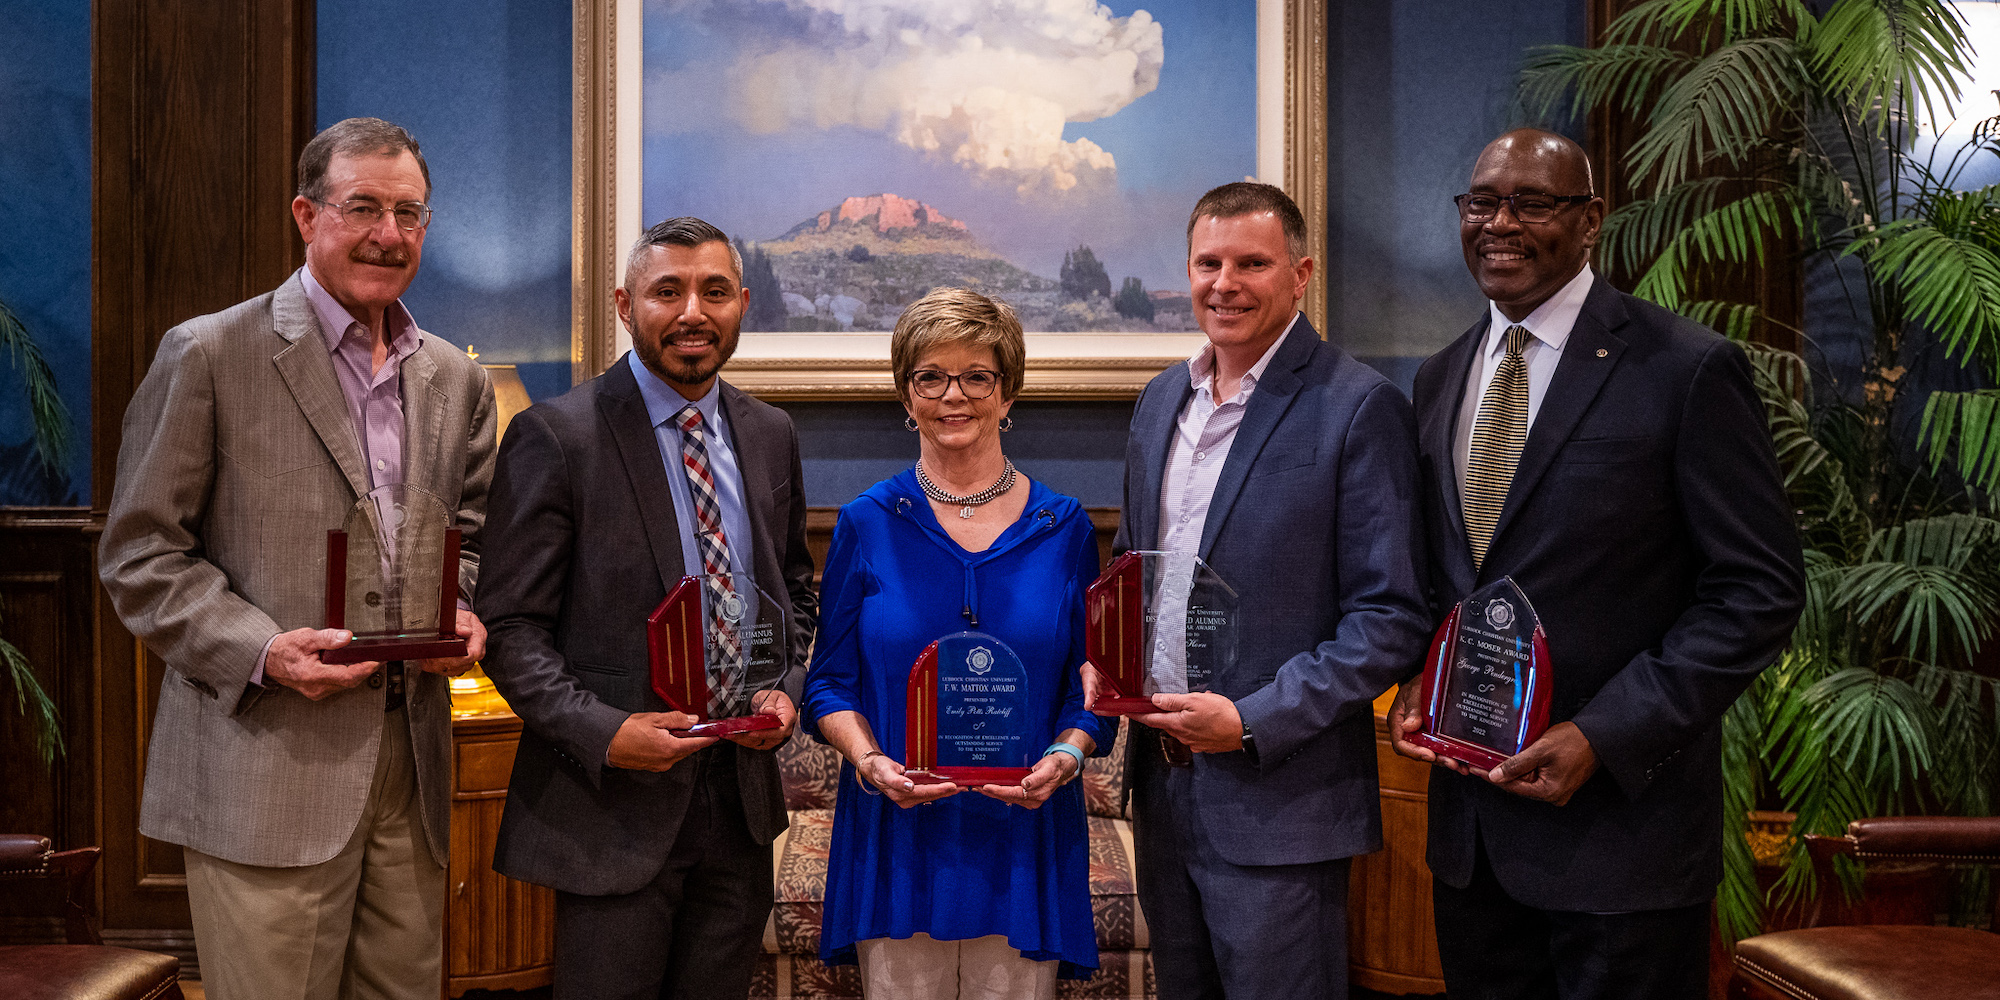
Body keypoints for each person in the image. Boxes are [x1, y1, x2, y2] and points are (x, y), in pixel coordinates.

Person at [1387, 128, 1805, 1000]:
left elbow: (1757, 592)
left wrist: (1604, 734)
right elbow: (1450, 577)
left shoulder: (1686, 370)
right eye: (1481, 202)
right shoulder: (1437, 379)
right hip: (1475, 845)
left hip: (1623, 847)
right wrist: (1425, 677)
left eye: (1531, 203)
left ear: (1590, 222)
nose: (1498, 223)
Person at [97, 117, 493, 1000]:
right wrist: (263, 652)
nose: (389, 235)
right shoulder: (208, 353)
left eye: (410, 214)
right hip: (266, 767)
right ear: (305, 215)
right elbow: (140, 554)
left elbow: (471, 532)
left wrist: (458, 606)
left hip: (412, 768)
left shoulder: (456, 381)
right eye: (363, 208)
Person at [1098, 181, 1433, 999]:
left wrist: (1250, 721)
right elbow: (1131, 564)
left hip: (1282, 803)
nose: (1225, 283)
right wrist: (1105, 660)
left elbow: (1390, 620)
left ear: (1301, 273)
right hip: (1165, 787)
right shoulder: (1159, 401)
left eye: (1252, 262)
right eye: (1209, 262)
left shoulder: (1358, 409)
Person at [475, 216, 817, 1000]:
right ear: (627, 305)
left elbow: (795, 593)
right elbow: (511, 629)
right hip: (611, 811)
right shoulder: (556, 437)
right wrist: (607, 732)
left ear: (743, 304)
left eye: (714, 291)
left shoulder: (770, 434)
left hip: (739, 803)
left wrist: (785, 689)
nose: (693, 311)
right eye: (669, 291)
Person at [803, 286, 1113, 999]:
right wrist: (868, 759)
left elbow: (1090, 690)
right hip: (899, 836)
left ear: (1009, 395)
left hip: (1023, 833)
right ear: (905, 396)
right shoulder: (865, 523)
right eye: (931, 377)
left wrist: (1067, 756)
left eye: (978, 376)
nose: (955, 395)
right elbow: (829, 682)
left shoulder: (1064, 530)